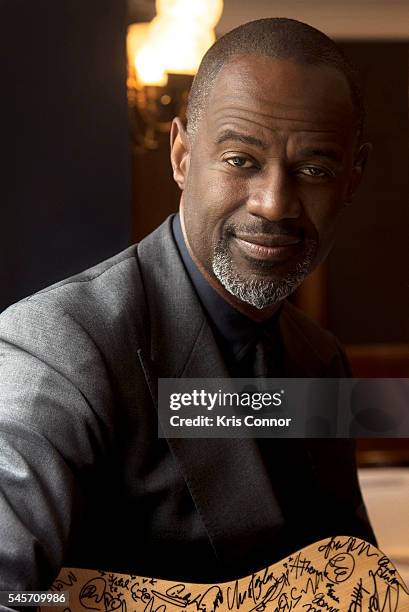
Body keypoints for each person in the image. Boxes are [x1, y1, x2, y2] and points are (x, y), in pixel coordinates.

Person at [0, 17, 375, 593]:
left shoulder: (319, 358)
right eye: (240, 160)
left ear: (353, 177)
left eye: (313, 170)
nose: (274, 204)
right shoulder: (56, 347)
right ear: (181, 156)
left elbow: (346, 579)